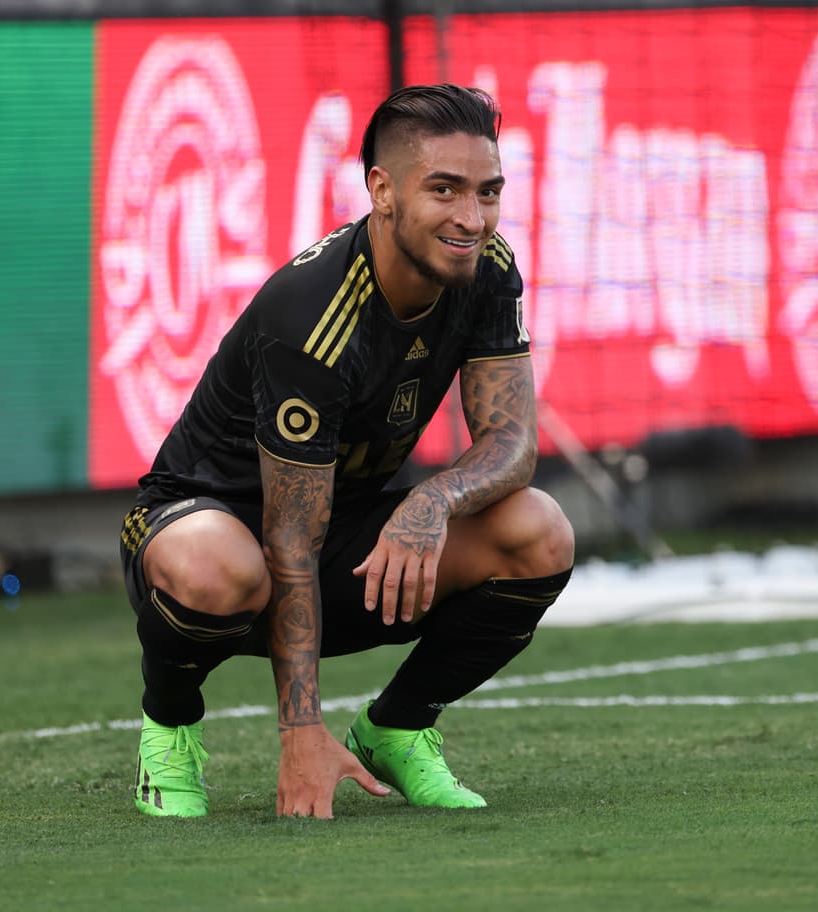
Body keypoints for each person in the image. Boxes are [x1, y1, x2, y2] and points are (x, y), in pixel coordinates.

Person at [119, 83, 576, 819]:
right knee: (218, 567)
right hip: (201, 532)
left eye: (488, 192)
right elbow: (289, 537)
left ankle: (397, 727)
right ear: (382, 191)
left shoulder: (487, 266)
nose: (471, 218)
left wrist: (433, 500)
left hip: (339, 533)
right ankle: (168, 727)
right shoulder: (312, 314)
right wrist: (301, 732)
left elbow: (513, 442)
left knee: (539, 531)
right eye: (445, 190)